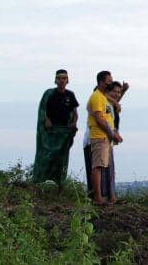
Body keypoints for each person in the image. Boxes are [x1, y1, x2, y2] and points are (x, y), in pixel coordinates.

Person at [33, 69, 79, 187]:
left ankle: (59, 184)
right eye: (59, 78)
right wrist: (46, 120)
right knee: (46, 157)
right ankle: (39, 182)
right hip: (50, 132)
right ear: (55, 80)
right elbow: (43, 110)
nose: (61, 80)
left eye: (64, 78)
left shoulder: (70, 94)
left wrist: (74, 123)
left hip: (64, 132)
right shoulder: (49, 93)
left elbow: (75, 112)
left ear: (67, 80)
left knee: (61, 160)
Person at [86, 71, 122, 205]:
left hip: (105, 137)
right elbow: (99, 118)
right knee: (98, 166)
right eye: (109, 81)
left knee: (103, 166)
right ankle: (98, 197)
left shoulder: (102, 97)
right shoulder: (96, 97)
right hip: (99, 136)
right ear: (101, 82)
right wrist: (112, 133)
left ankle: (105, 196)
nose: (110, 83)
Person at [102, 80, 129, 202]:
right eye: (115, 92)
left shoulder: (111, 103)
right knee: (103, 167)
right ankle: (105, 196)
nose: (117, 94)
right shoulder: (100, 98)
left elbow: (114, 102)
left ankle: (110, 196)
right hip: (102, 136)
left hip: (110, 136)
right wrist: (113, 133)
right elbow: (107, 98)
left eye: (119, 92)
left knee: (109, 166)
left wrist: (123, 91)